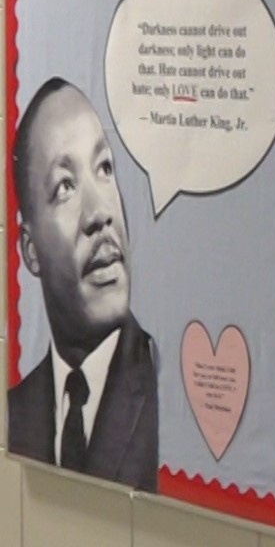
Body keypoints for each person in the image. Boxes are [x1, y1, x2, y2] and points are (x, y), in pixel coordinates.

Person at [9, 77, 159, 491]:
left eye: (105, 168)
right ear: (31, 250)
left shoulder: (164, 386)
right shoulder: (16, 413)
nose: (100, 214)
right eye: (65, 187)